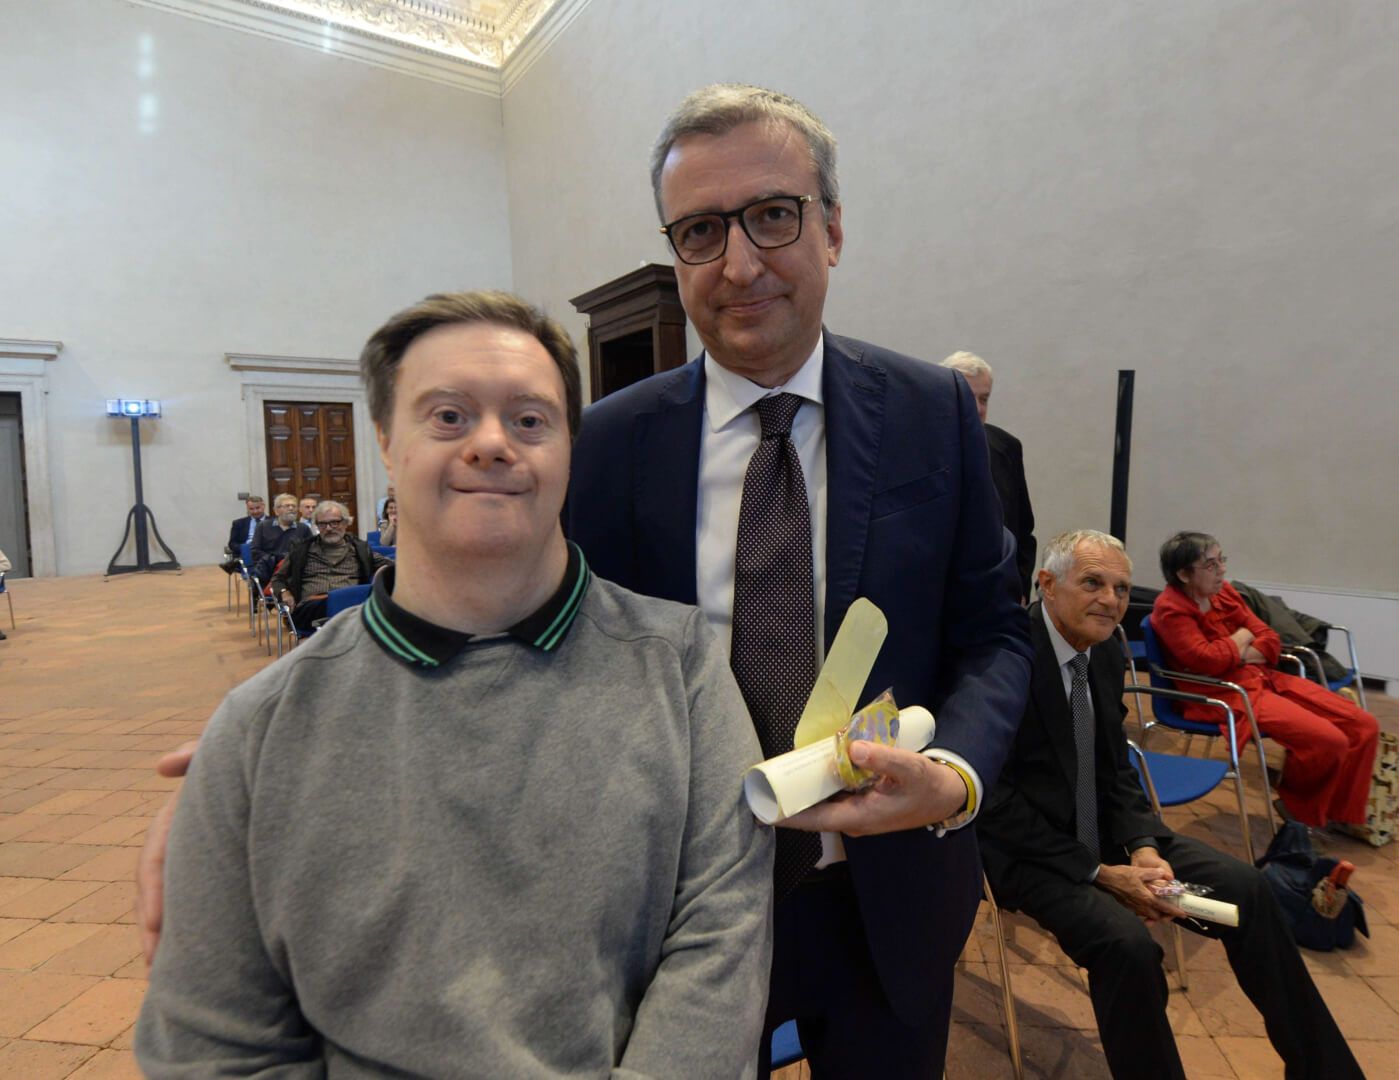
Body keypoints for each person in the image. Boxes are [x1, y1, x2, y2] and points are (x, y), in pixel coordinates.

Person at [134, 290, 774, 1078]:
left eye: (530, 420)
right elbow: (215, 1044)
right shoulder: (259, 728)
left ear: (568, 448)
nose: (492, 444)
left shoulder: (679, 665)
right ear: (385, 440)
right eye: (448, 416)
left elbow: (720, 940)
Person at [567, 84, 1033, 1077]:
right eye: (700, 231)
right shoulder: (608, 446)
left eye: (771, 215)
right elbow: (554, 663)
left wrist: (953, 775)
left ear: (832, 230)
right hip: (682, 912)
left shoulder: (932, 414)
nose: (739, 265)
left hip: (890, 900)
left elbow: (993, 633)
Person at [978, 529, 1363, 1080]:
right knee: (1129, 947)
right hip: (1033, 854)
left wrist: (1142, 847)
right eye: (1093, 583)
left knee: (1246, 894)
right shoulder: (1004, 656)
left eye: (1121, 588)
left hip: (1109, 839)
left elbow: (1115, 767)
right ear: (1047, 584)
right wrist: (1100, 873)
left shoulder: (1103, 650)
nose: (1111, 601)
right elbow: (992, 801)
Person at [1151, 531, 1378, 827]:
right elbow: (1208, 660)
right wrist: (1244, 635)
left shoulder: (1224, 592)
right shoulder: (1171, 609)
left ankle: (1337, 814)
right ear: (1183, 574)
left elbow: (1269, 637)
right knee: (1328, 740)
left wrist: (1235, 652)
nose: (1222, 570)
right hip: (1223, 694)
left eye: (1222, 560)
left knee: (1364, 726)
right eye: (1211, 565)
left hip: (1262, 678)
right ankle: (1299, 812)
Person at [940, 351, 1036, 601]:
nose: (978, 408)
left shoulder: (1007, 447)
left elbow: (1023, 530)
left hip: (998, 595)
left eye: (984, 399)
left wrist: (1020, 589)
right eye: (967, 397)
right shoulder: (916, 450)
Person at [268, 499, 391, 634]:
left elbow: (390, 565)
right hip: (313, 608)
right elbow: (277, 579)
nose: (328, 528)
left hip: (350, 606)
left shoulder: (360, 549)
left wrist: (379, 576)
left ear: (345, 523)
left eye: (334, 523)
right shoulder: (302, 550)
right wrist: (284, 592)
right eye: (322, 524)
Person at [249, 493, 311, 583]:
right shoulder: (263, 526)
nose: (291, 508)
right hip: (268, 569)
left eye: (294, 506)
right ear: (276, 511)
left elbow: (311, 550)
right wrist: (275, 560)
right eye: (287, 506)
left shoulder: (303, 528)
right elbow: (255, 551)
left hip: (294, 571)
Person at [219, 495, 264, 574]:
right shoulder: (238, 523)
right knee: (249, 548)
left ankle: (235, 563)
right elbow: (232, 544)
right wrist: (244, 548)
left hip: (265, 550)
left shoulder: (273, 521)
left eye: (257, 508)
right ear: (247, 509)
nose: (255, 511)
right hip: (246, 551)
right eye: (251, 509)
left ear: (263, 506)